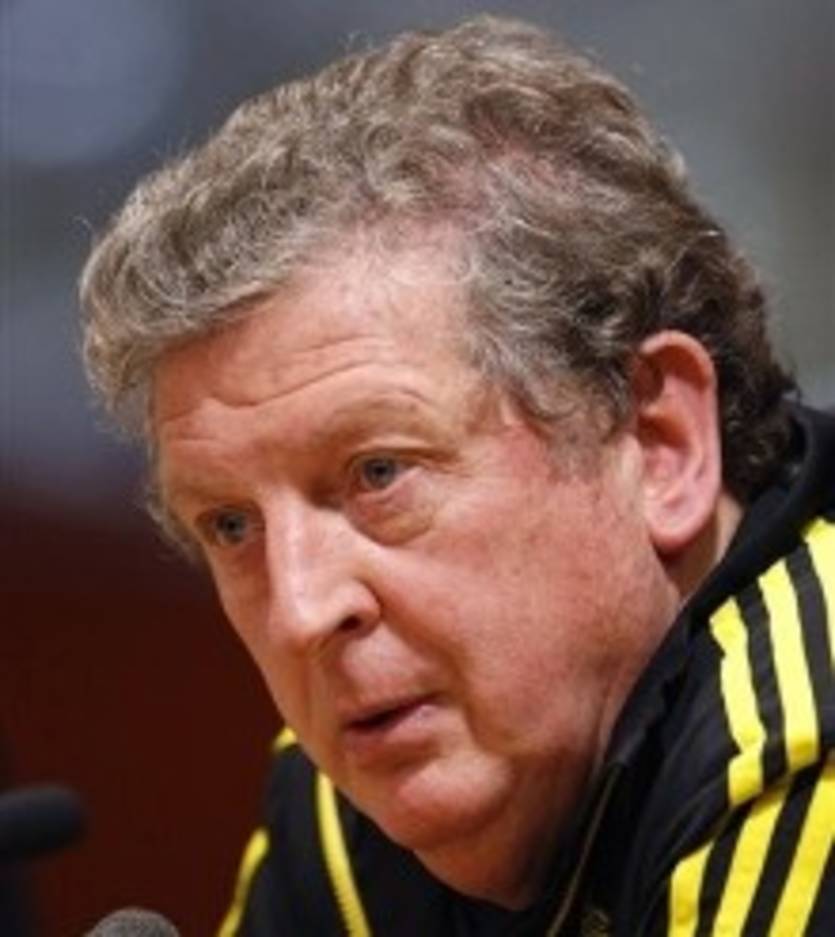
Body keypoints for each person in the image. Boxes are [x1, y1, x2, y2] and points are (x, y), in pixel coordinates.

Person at [78, 15, 835, 936]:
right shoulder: (358, 794)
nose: (300, 612)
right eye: (231, 525)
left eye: (379, 472)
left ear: (658, 442)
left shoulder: (810, 728)